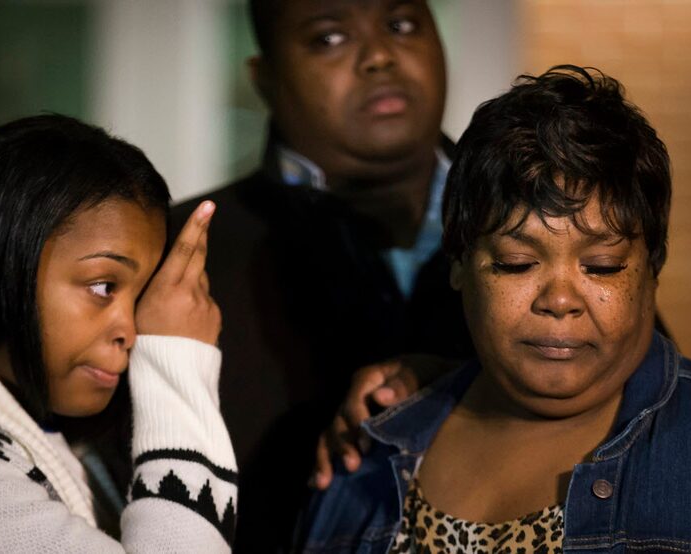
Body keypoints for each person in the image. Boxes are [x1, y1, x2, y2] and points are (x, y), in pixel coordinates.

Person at [299, 66, 691, 552]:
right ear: (460, 264)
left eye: (603, 266)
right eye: (517, 263)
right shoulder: (367, 458)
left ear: (652, 268)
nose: (560, 300)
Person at [171, 0, 475, 549]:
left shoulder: (546, 235)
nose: (380, 55)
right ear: (264, 78)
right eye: (329, 39)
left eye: (402, 26)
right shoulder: (183, 254)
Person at [0, 115, 236, 551]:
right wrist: (180, 365)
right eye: (103, 286)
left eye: (141, 299)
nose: (133, 332)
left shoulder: (41, 437)